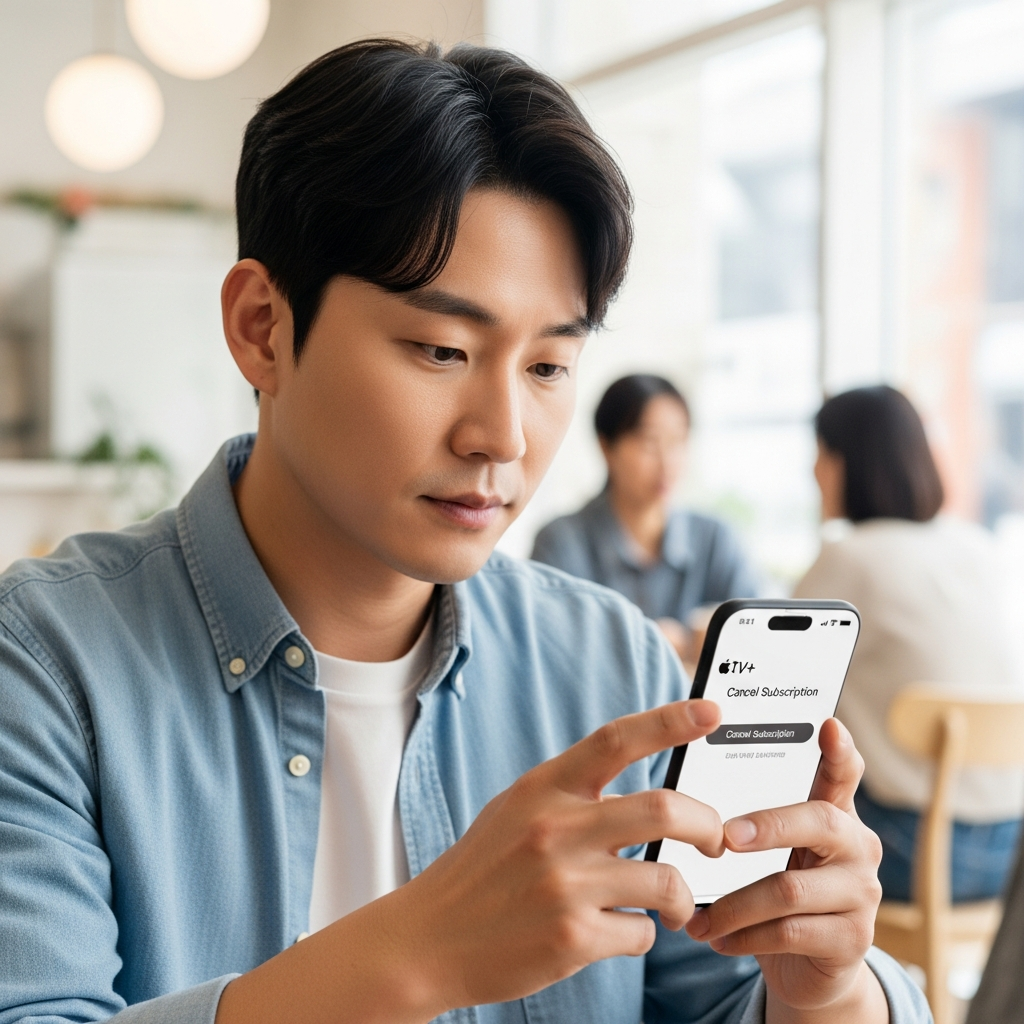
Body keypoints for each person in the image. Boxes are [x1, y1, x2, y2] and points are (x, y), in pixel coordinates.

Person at [0, 40, 926, 1024]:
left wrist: (824, 992)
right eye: (441, 348)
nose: (504, 437)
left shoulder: (609, 669)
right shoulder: (47, 663)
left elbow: (719, 1000)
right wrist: (415, 955)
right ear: (262, 327)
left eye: (547, 366)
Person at [794, 385, 1024, 903]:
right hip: (1012, 852)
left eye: (821, 454)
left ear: (845, 462)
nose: (814, 473)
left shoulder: (849, 558)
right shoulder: (978, 548)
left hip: (918, 853)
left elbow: (779, 688)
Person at [532, 374, 757, 663]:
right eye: (650, 442)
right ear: (606, 446)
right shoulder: (561, 542)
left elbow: (759, 638)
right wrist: (640, 644)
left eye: (677, 441)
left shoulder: (716, 537)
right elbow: (547, 651)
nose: (667, 462)